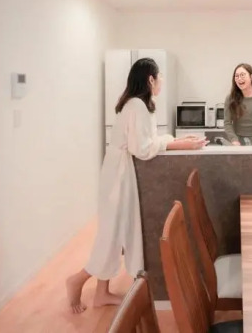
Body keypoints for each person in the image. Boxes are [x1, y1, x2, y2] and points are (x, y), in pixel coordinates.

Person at [66, 58, 207, 313]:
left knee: (112, 230)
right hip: (119, 175)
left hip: (118, 171)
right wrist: (176, 144)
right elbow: (141, 148)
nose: (162, 81)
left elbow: (147, 139)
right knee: (111, 232)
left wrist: (175, 140)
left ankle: (101, 293)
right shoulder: (137, 106)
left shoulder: (137, 104)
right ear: (150, 79)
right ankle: (77, 279)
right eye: (159, 76)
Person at [224, 63, 252, 145]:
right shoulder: (230, 98)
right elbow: (227, 123)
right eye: (236, 76)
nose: (239, 78)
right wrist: (234, 140)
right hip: (237, 143)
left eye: (242, 75)